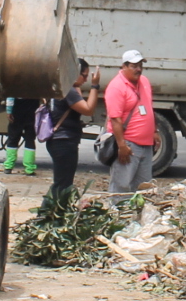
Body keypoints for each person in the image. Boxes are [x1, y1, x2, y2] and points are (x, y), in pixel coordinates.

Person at [45, 60, 101, 203]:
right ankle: (47, 214)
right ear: (74, 73)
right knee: (63, 185)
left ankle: (51, 213)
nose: (86, 79)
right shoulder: (68, 90)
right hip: (64, 142)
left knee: (61, 182)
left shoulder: (62, 86)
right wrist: (95, 86)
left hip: (58, 141)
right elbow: (88, 110)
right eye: (84, 75)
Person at [104, 50, 157, 200]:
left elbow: (149, 107)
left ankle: (136, 218)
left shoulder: (144, 82)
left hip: (146, 145)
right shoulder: (117, 87)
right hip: (128, 145)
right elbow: (115, 119)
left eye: (140, 65)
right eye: (134, 66)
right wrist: (121, 146)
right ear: (124, 66)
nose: (138, 69)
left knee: (143, 186)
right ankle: (118, 216)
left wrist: (155, 130)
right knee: (122, 186)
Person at [0, 96, 41, 176]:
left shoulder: (17, 85)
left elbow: (10, 98)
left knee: (13, 139)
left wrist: (9, 111)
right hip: (32, 113)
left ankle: (8, 167)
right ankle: (29, 169)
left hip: (17, 113)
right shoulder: (35, 85)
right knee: (30, 140)